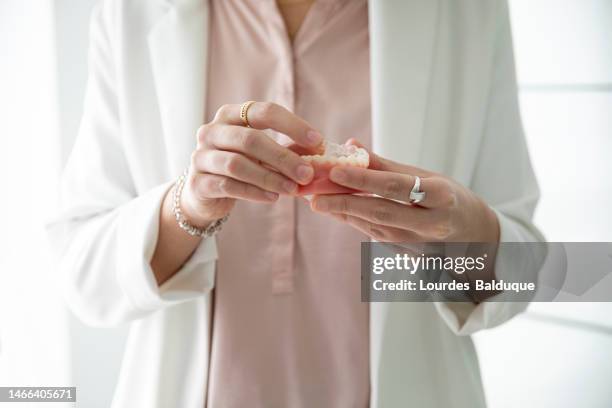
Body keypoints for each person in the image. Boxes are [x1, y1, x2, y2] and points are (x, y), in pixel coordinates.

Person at [48, 0, 543, 406]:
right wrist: (189, 206)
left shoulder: (470, 13)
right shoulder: (131, 14)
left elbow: (535, 274)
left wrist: (462, 232)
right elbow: (81, 275)